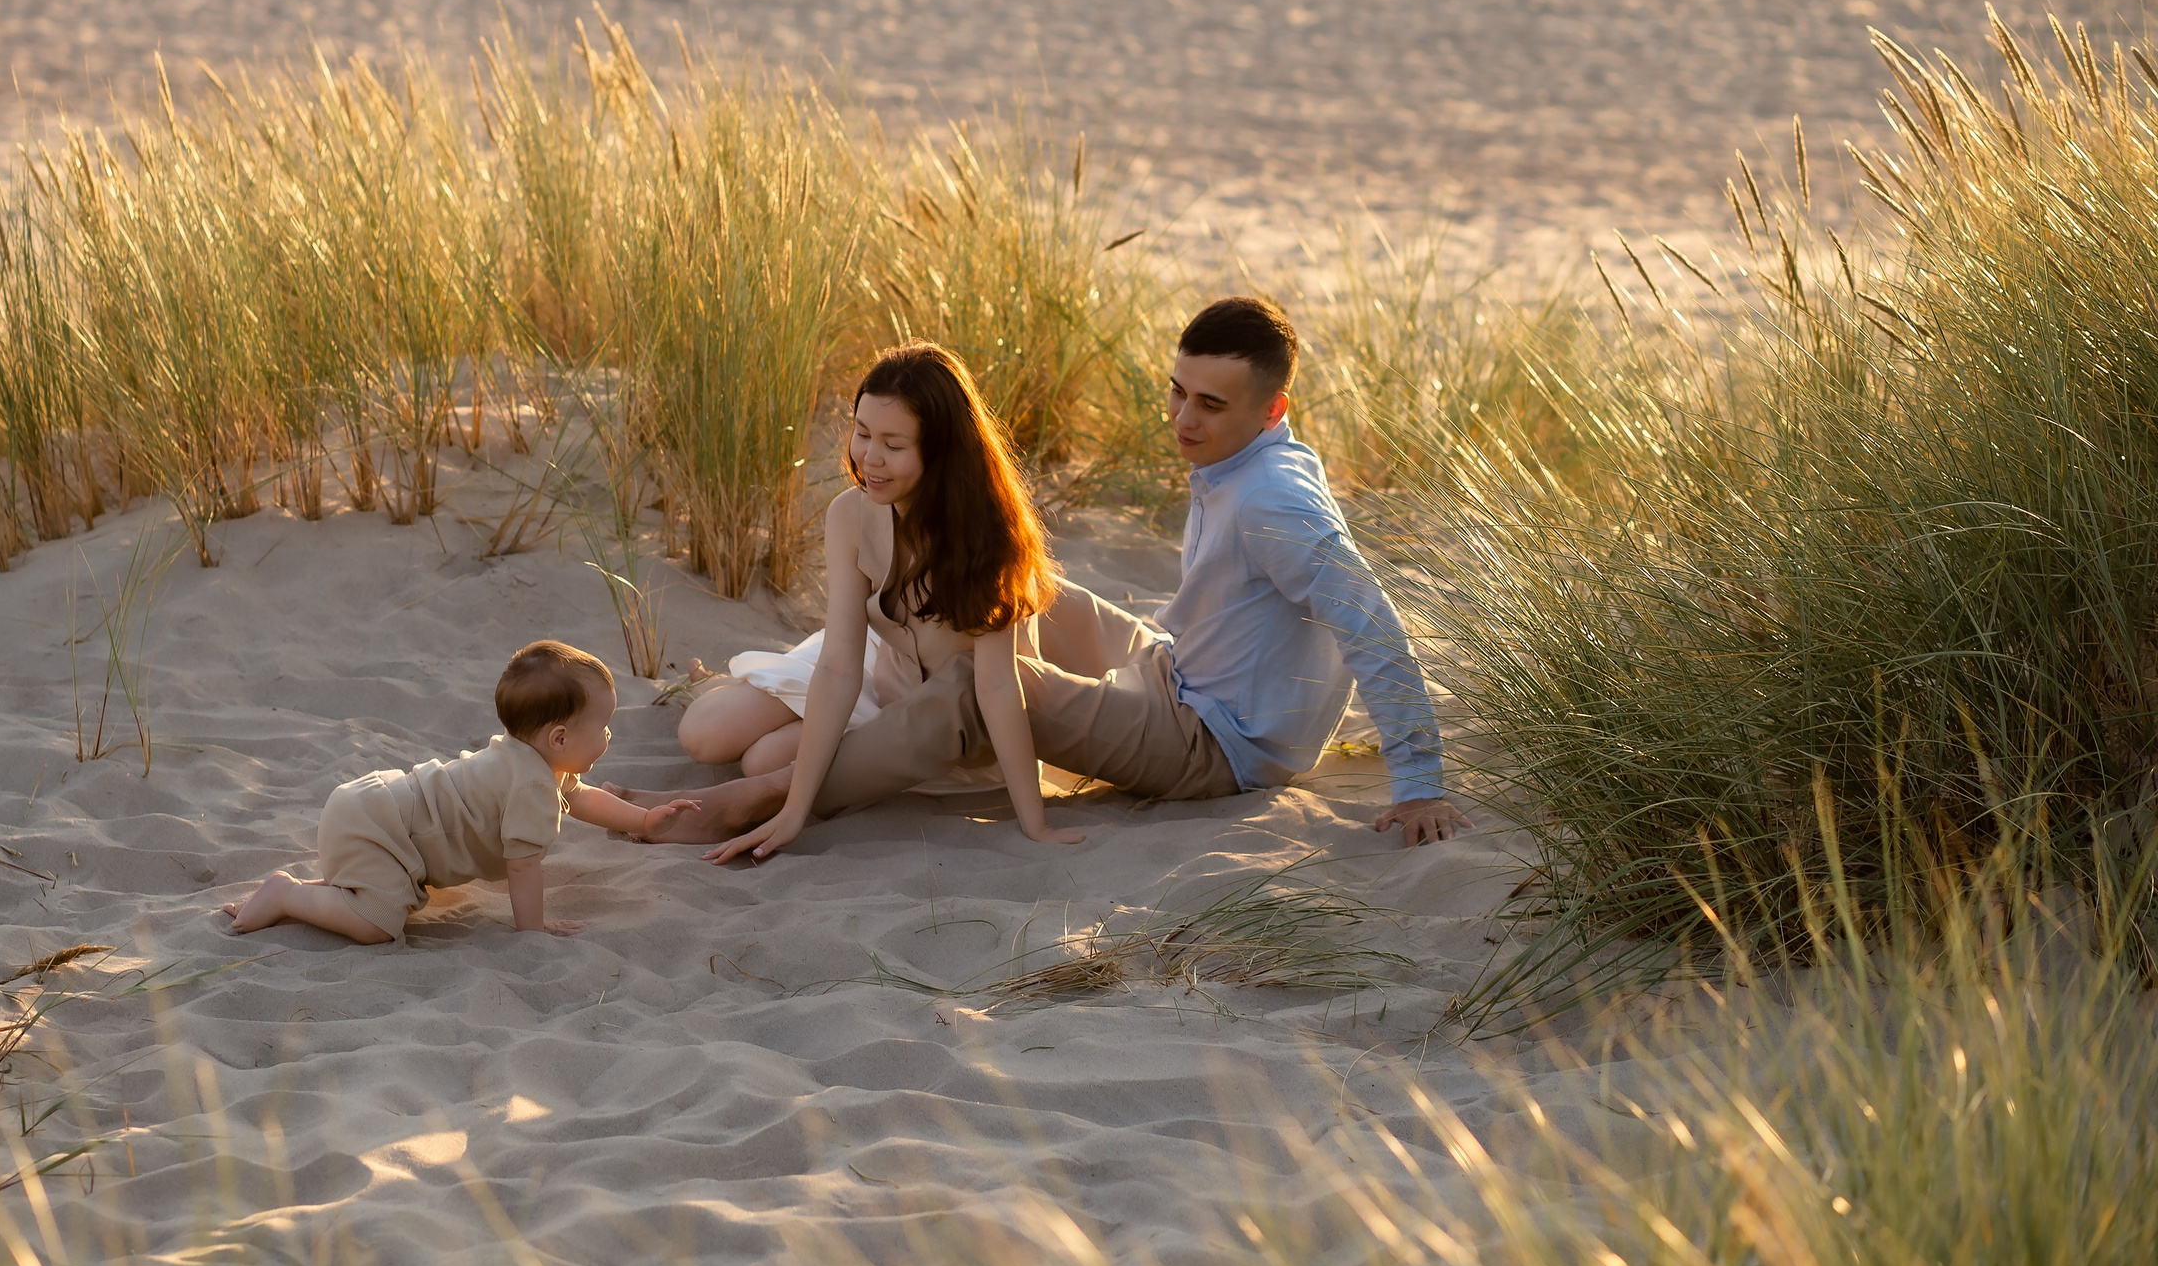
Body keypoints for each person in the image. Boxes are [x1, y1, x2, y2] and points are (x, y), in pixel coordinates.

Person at [634, 298, 1469, 854]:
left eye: (1210, 404)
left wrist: (1422, 781)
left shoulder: (1275, 501)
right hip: (1176, 674)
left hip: (1220, 742)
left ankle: (772, 796)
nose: (1182, 418)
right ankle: (840, 708)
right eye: (1176, 392)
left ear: (1272, 407)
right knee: (1025, 587)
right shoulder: (1248, 463)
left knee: (979, 682)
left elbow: (1370, 619)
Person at [676, 343, 1088, 861]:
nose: (869, 457)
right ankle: (714, 684)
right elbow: (841, 665)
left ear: (942, 452)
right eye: (862, 432)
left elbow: (998, 687)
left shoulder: (988, 536)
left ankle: (744, 689)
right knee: (704, 734)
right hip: (875, 668)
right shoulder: (851, 514)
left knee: (764, 762)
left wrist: (1036, 824)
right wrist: (794, 814)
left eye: (894, 444)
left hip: (940, 728)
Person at [219, 640, 701, 943]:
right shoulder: (532, 784)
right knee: (376, 927)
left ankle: (309, 894)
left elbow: (583, 798)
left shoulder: (524, 758)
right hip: (382, 828)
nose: (609, 736)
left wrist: (642, 821)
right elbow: (523, 866)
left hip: (373, 811)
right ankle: (285, 894)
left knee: (374, 893)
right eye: (604, 726)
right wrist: (532, 930)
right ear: (559, 739)